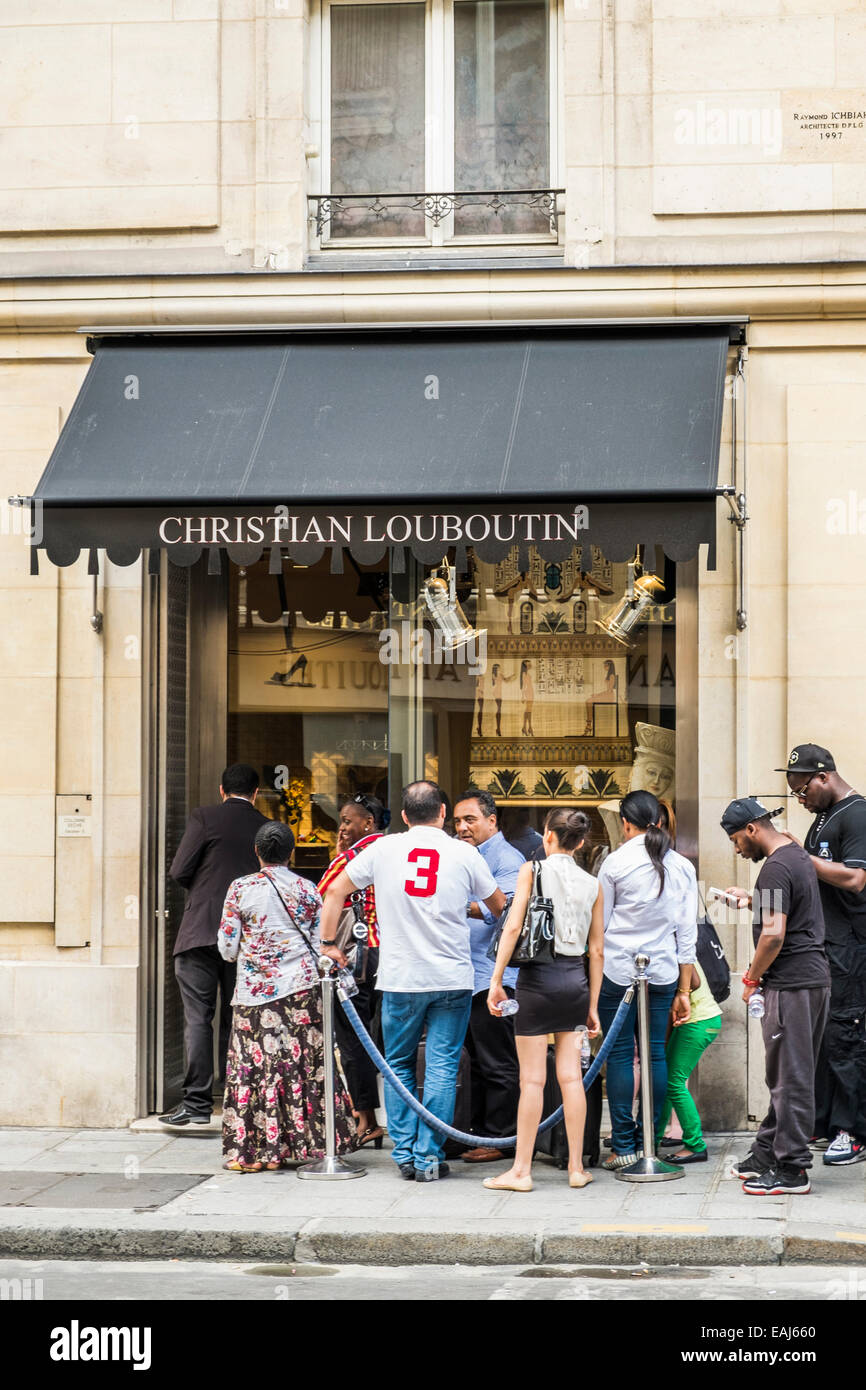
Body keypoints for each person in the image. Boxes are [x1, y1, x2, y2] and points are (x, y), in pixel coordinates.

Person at [318, 781, 505, 1182]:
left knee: (398, 1066)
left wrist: (329, 943)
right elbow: (498, 905)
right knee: (441, 1068)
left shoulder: (382, 849)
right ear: (441, 813)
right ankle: (428, 1156)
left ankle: (405, 1154)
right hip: (452, 977)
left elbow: (334, 891)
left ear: (403, 816)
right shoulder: (463, 852)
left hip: (400, 978)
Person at [218, 821, 356, 1171]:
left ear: (257, 851)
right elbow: (319, 940)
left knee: (255, 1069)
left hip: (254, 995)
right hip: (301, 992)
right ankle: (304, 1143)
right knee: (298, 1066)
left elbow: (227, 948)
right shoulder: (308, 889)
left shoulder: (240, 888)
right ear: (291, 852)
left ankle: (255, 1152)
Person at [484, 808, 604, 1192]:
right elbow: (597, 950)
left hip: (537, 980)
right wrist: (593, 1005)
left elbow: (514, 925)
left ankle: (521, 1171)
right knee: (572, 1077)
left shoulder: (531, 871)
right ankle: (575, 1167)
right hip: (576, 980)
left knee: (533, 1081)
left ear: (547, 836)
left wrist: (497, 978)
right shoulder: (592, 883)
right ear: (581, 842)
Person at [723, 796, 831, 1195]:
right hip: (809, 980)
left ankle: (793, 1169)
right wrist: (751, 900)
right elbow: (787, 910)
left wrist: (751, 977)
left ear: (751, 829)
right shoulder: (793, 855)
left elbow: (773, 934)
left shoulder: (773, 869)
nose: (736, 849)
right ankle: (768, 1150)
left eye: (736, 840)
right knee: (784, 1073)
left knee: (791, 1077)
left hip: (791, 984)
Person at [161, 763, 267, 1126]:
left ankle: (196, 1105)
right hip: (246, 938)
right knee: (238, 1020)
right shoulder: (264, 827)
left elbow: (179, 871)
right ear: (256, 792)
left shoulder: (204, 817)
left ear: (222, 790)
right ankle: (236, 1101)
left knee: (198, 1019)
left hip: (201, 932)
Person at [596, 789, 697, 1168]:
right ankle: (649, 1141)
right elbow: (688, 935)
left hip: (619, 971)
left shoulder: (615, 863)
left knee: (621, 1055)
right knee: (654, 1052)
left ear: (625, 823)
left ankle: (624, 1147)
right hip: (664, 972)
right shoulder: (681, 866)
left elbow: (600, 927)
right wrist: (684, 989)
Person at [777, 745, 866, 1166]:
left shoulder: (858, 813)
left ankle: (853, 1132)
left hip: (853, 945)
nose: (801, 798)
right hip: (826, 945)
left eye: (802, 789)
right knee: (826, 1038)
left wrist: (803, 858)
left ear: (824, 777)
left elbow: (854, 877)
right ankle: (827, 1123)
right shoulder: (821, 819)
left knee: (847, 1035)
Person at [453, 790, 525, 1164]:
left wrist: (452, 901)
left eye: (470, 820)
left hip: (494, 978)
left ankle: (501, 1139)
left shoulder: (506, 858)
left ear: (492, 821)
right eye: (458, 822)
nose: (462, 828)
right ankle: (478, 1132)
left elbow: (506, 911)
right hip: (465, 976)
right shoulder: (463, 855)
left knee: (498, 1062)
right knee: (476, 1062)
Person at [317, 793, 387, 1148]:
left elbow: (321, 900)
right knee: (392, 1041)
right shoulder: (397, 853)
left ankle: (367, 1119)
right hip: (395, 957)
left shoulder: (349, 861)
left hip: (356, 959)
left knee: (353, 1040)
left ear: (368, 823)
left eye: (348, 821)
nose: (342, 827)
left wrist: (327, 944)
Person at [655, 960, 722, 1163]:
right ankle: (652, 1138)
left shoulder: (671, 943)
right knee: (669, 1081)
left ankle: (695, 1145)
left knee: (674, 1082)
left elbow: (694, 981)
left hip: (697, 1021)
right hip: (699, 1020)